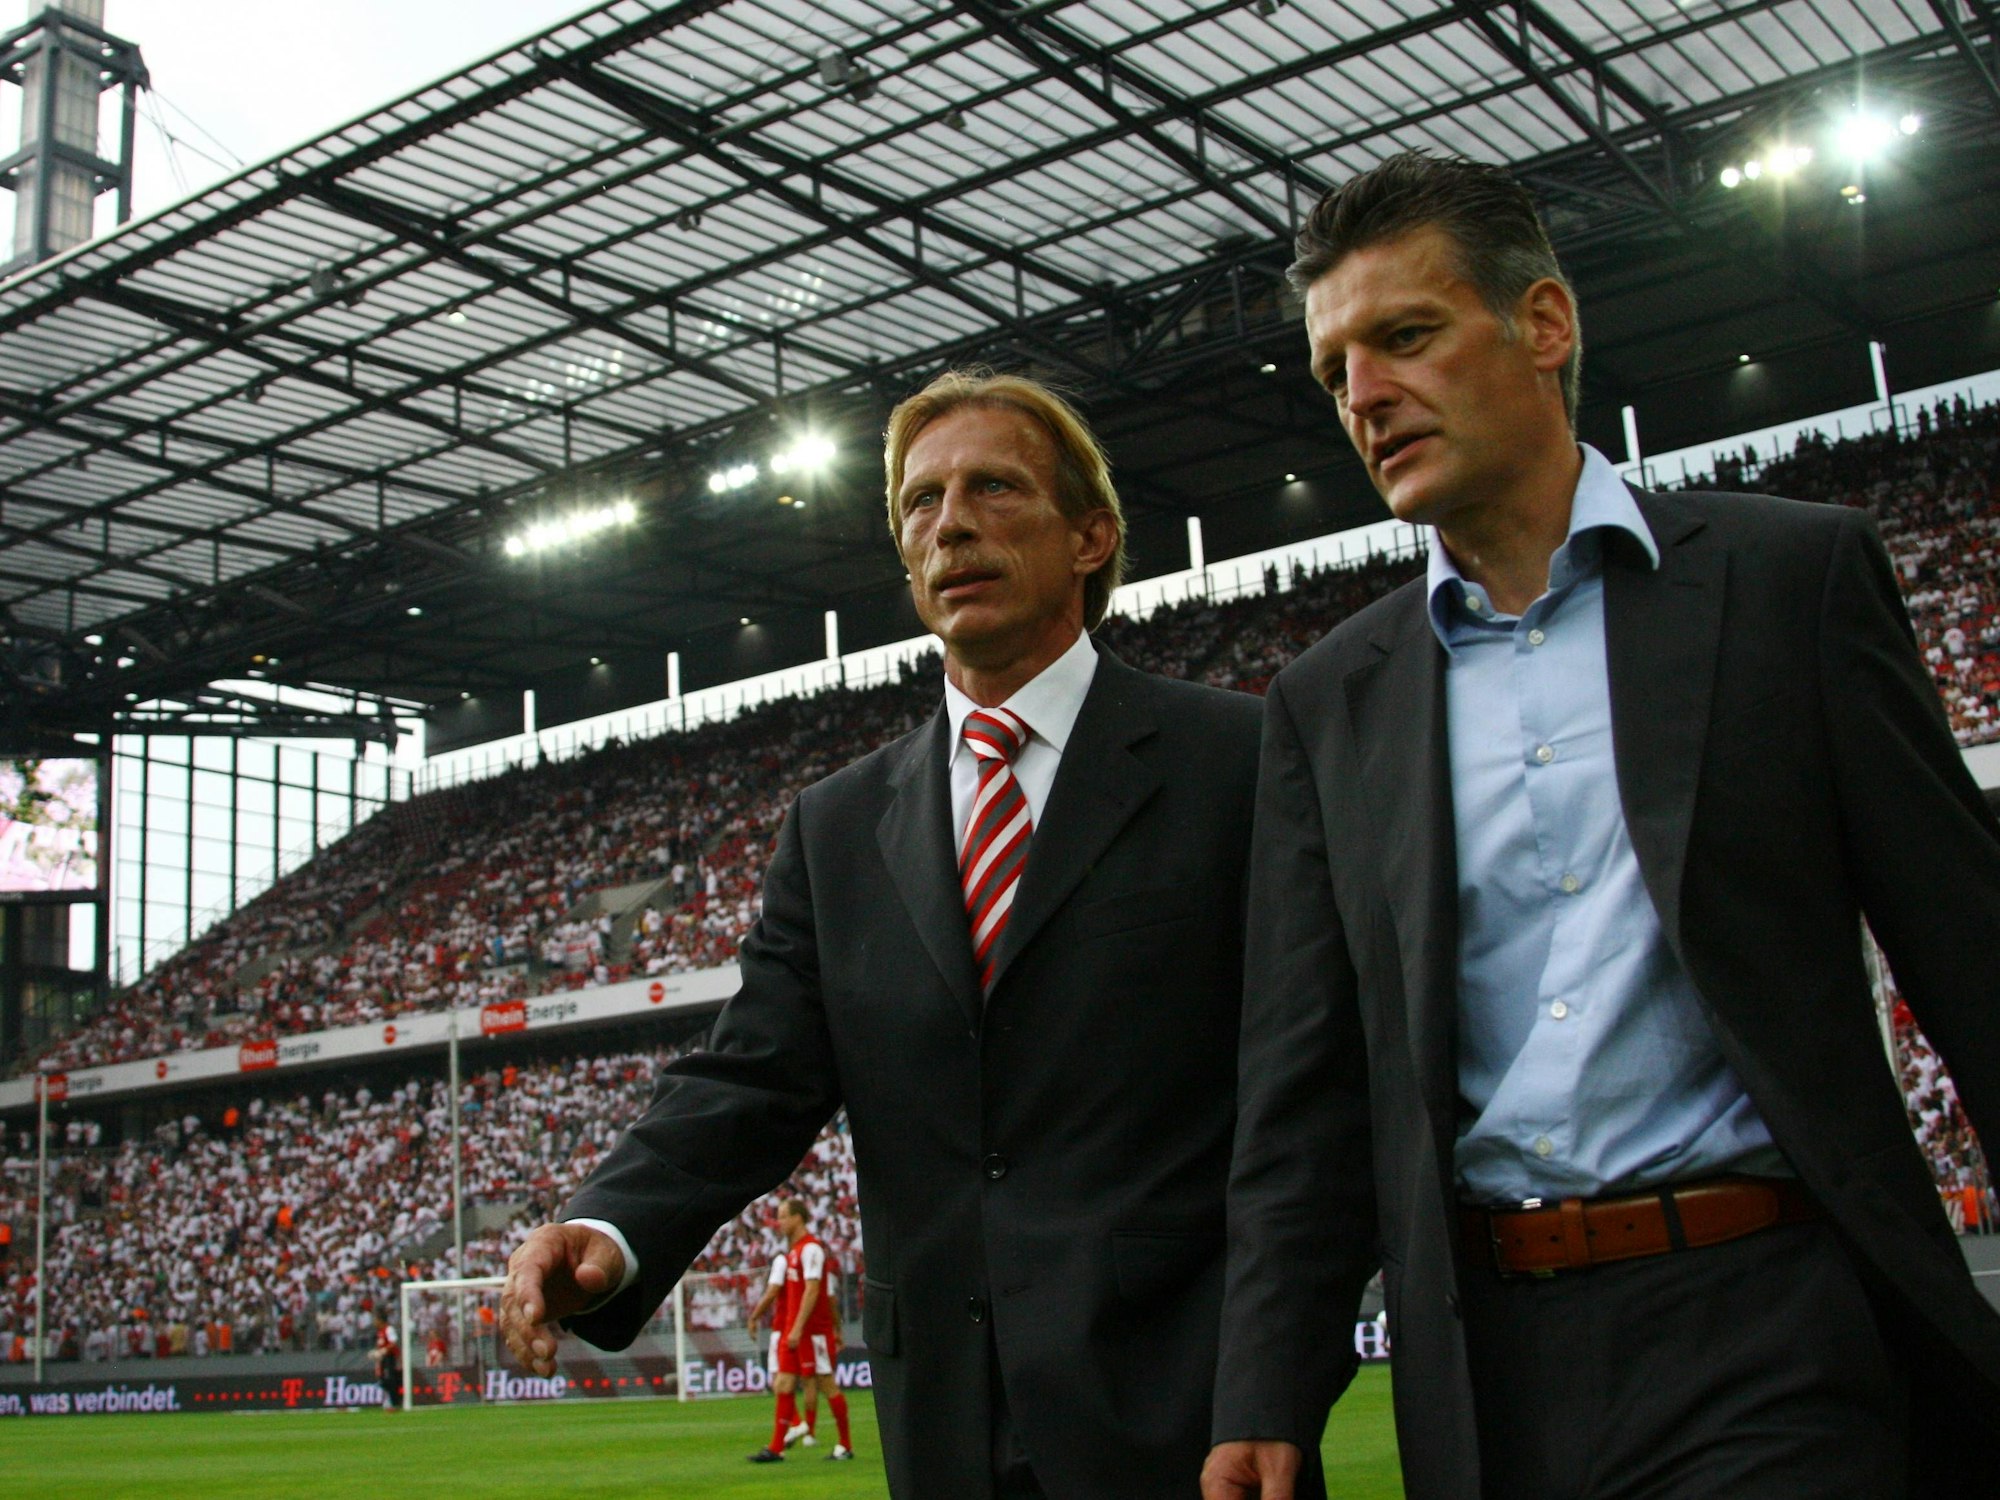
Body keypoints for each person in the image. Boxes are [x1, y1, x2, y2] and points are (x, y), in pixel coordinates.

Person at [1203, 150, 2000, 1500]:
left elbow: (1971, 955)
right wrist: (1267, 1388)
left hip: (1769, 1317)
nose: (1367, 397)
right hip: (1490, 1362)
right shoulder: (1328, 701)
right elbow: (1308, 1086)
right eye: (1339, 370)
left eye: (1405, 338)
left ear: (1546, 325)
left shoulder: (1788, 581)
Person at [501, 370, 1269, 1498]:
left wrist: (1276, 1379)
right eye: (920, 502)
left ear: (1090, 535)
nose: (949, 522)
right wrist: (607, 1228)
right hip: (943, 1424)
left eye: (994, 488)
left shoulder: (1239, 761)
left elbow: (1310, 1086)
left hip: (1187, 1420)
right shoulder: (838, 824)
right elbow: (752, 1075)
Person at [747, 1198, 854, 1463]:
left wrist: (796, 1328)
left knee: (826, 1384)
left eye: (783, 1217)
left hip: (811, 1332)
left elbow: (814, 1289)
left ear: (798, 1218)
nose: (779, 1222)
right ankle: (776, 1448)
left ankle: (845, 1445)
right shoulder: (793, 1252)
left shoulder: (811, 1250)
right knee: (783, 1383)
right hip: (795, 1332)